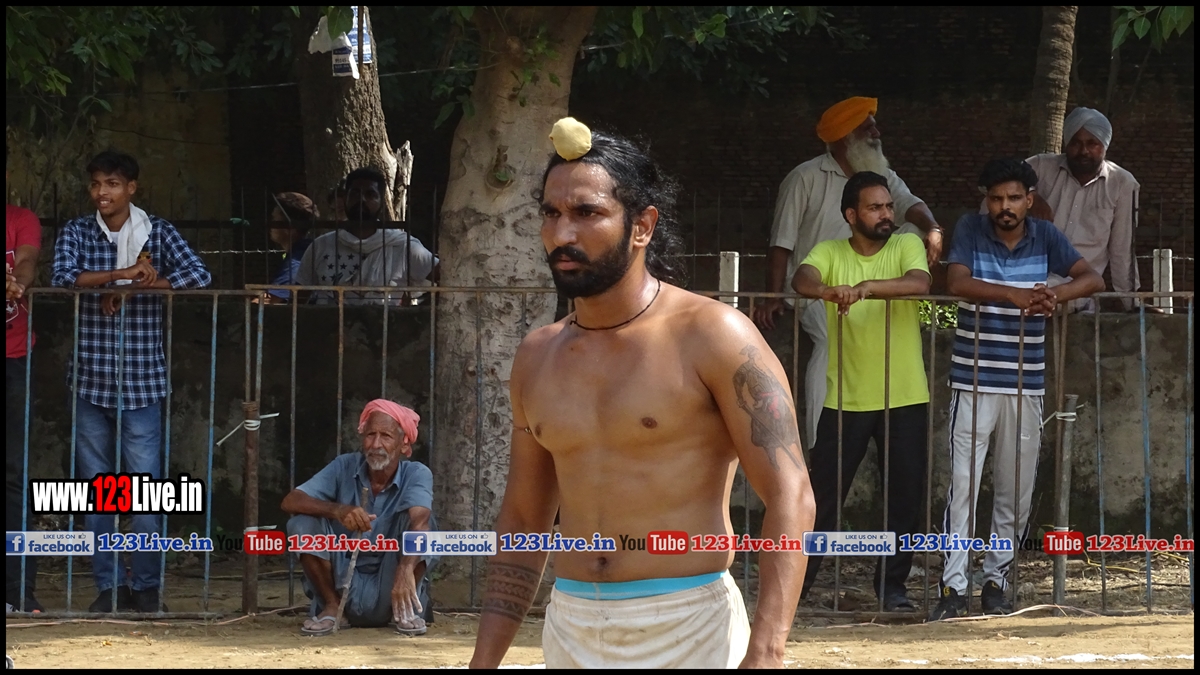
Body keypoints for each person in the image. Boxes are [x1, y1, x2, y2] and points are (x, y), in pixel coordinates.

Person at [469, 119, 816, 669]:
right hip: (571, 628)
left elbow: (791, 493)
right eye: (550, 213)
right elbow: (523, 520)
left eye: (586, 213)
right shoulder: (537, 355)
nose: (561, 234)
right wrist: (483, 662)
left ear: (642, 226)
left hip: (690, 629)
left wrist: (767, 652)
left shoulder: (713, 335)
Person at [930, 159, 1103, 620]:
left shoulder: (1045, 235)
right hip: (972, 379)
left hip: (1026, 382)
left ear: (1029, 200)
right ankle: (953, 588)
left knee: (1016, 489)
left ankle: (997, 582)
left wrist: (1054, 296)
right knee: (962, 488)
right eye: (995, 199)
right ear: (985, 201)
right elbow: (957, 281)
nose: (1003, 207)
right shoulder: (970, 228)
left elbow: (1092, 278)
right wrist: (1014, 294)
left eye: (1012, 198)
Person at [50, 150, 212, 613]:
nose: (102, 192)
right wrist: (120, 277)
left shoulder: (156, 231)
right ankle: (108, 586)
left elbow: (199, 275)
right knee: (98, 491)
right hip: (90, 378)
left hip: (142, 380)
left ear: (131, 188)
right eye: (96, 184)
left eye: (112, 184)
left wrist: (138, 287)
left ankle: (145, 587)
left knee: (145, 492)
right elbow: (63, 277)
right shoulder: (78, 231)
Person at [753, 96, 944, 450]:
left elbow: (911, 205)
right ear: (845, 137)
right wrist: (773, 296)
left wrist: (933, 229)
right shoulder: (805, 177)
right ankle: (820, 442)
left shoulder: (880, 176)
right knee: (834, 338)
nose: (877, 132)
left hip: (874, 285)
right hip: (820, 290)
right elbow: (782, 242)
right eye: (867, 127)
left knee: (914, 232)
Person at [791, 171, 931, 612]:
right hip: (845, 397)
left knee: (903, 500)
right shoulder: (831, 251)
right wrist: (826, 290)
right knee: (821, 497)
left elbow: (919, 283)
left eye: (888, 206)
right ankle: (797, 585)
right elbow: (802, 278)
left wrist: (866, 289)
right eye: (875, 208)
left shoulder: (905, 244)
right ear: (852, 215)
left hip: (905, 395)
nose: (886, 214)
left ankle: (892, 589)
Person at [282, 399, 437, 636]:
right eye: (370, 434)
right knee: (301, 524)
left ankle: (404, 610)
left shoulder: (416, 473)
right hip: (342, 578)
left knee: (425, 527)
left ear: (404, 444)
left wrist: (406, 568)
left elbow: (420, 522)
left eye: (386, 436)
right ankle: (332, 608)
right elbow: (291, 501)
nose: (375, 444)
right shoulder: (344, 466)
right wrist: (338, 510)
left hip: (392, 578)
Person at [1026, 107, 1143, 313]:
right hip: (1028, 280)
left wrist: (1132, 304)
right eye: (1075, 143)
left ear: (1104, 146)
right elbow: (992, 183)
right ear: (1066, 143)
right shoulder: (1041, 167)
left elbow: (1122, 250)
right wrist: (1031, 195)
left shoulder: (1122, 183)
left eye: (1092, 143)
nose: (1083, 151)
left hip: (1077, 292)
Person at [295, 167, 438, 305]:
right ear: (345, 199)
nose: (361, 200)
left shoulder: (403, 246)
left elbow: (446, 281)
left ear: (381, 202)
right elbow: (297, 301)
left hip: (384, 322)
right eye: (355, 193)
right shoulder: (321, 246)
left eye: (370, 195)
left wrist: (416, 315)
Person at [6, 144, 44, 613]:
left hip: (13, 358)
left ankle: (18, 589)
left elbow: (29, 259)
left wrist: (18, 281)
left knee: (14, 474)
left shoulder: (21, 218)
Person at [264, 192, 317, 303]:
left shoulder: (298, 259)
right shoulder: (306, 249)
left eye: (274, 219)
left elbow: (272, 300)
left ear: (290, 227)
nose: (271, 224)